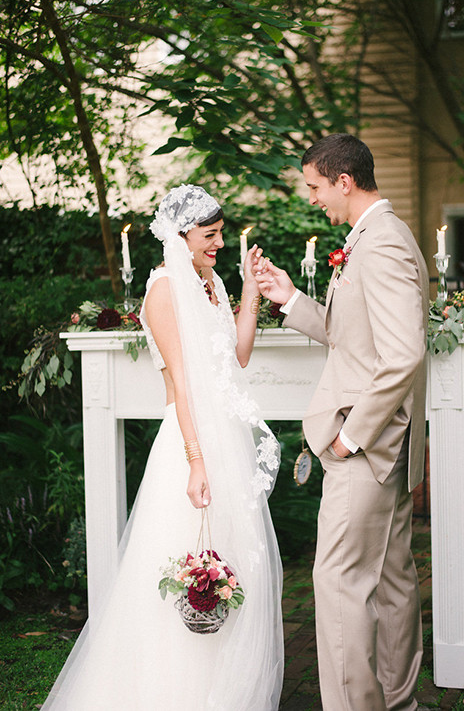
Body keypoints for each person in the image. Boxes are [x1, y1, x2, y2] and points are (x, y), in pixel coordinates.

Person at [42, 184, 284, 711]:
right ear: (181, 236)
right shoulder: (163, 290)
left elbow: (236, 358)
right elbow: (185, 383)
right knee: (183, 558)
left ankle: (224, 687)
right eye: (211, 235)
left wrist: (248, 292)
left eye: (221, 234)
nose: (219, 243)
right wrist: (197, 462)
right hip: (190, 439)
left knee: (233, 560)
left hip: (227, 437)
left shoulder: (210, 281)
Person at [255, 134, 429, 711]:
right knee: (394, 582)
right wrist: (288, 299)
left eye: (314, 186)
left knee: (336, 587)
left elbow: (403, 354)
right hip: (389, 449)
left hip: (369, 448)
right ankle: (397, 703)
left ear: (344, 181)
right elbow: (355, 337)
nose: (312, 198)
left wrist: (350, 437)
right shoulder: (378, 237)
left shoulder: (379, 245)